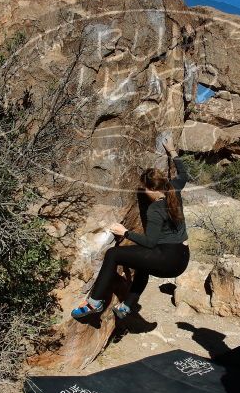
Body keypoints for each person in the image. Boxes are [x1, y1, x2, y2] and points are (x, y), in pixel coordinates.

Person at [71, 137, 190, 320]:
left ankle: (94, 303)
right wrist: (172, 150)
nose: (143, 192)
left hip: (166, 261)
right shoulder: (175, 188)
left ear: (152, 189)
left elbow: (150, 242)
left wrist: (124, 232)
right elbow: (184, 173)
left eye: (144, 189)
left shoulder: (155, 210)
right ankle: (126, 306)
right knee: (143, 263)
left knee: (113, 254)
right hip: (182, 258)